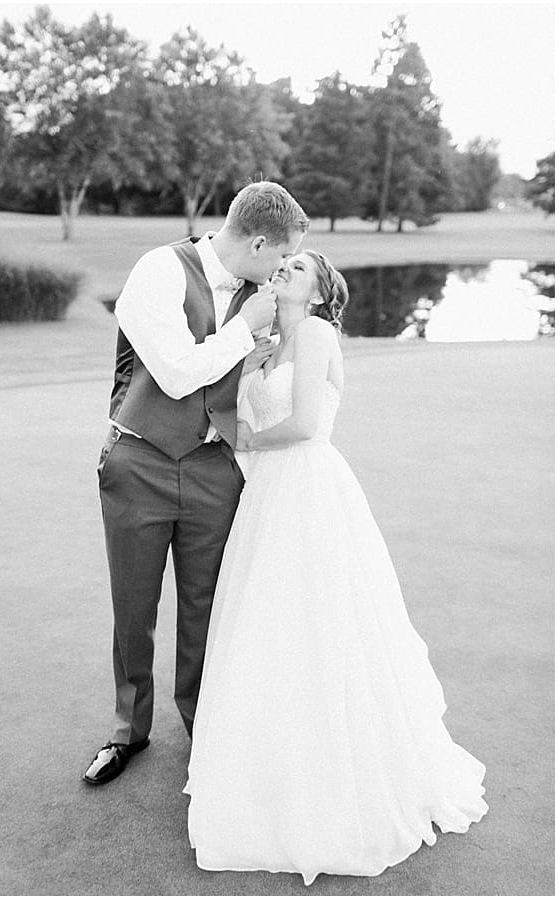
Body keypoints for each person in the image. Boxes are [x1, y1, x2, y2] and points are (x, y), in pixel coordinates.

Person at [184, 251, 488, 883]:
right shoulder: (264, 344)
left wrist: (243, 444)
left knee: (323, 619)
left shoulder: (319, 333)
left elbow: (300, 424)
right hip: (264, 498)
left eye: (297, 267)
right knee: (266, 624)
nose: (283, 270)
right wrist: (248, 374)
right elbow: (242, 412)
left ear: (321, 292)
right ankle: (267, 762)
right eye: (282, 264)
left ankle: (337, 769)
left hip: (309, 489)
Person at [84, 182, 306, 786]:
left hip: (216, 468)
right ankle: (127, 731)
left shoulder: (262, 294)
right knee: (134, 607)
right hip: (141, 461)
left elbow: (266, 379)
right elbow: (178, 375)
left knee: (207, 606)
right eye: (281, 257)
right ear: (258, 242)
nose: (282, 270)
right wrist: (247, 327)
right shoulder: (158, 270)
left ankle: (204, 727)